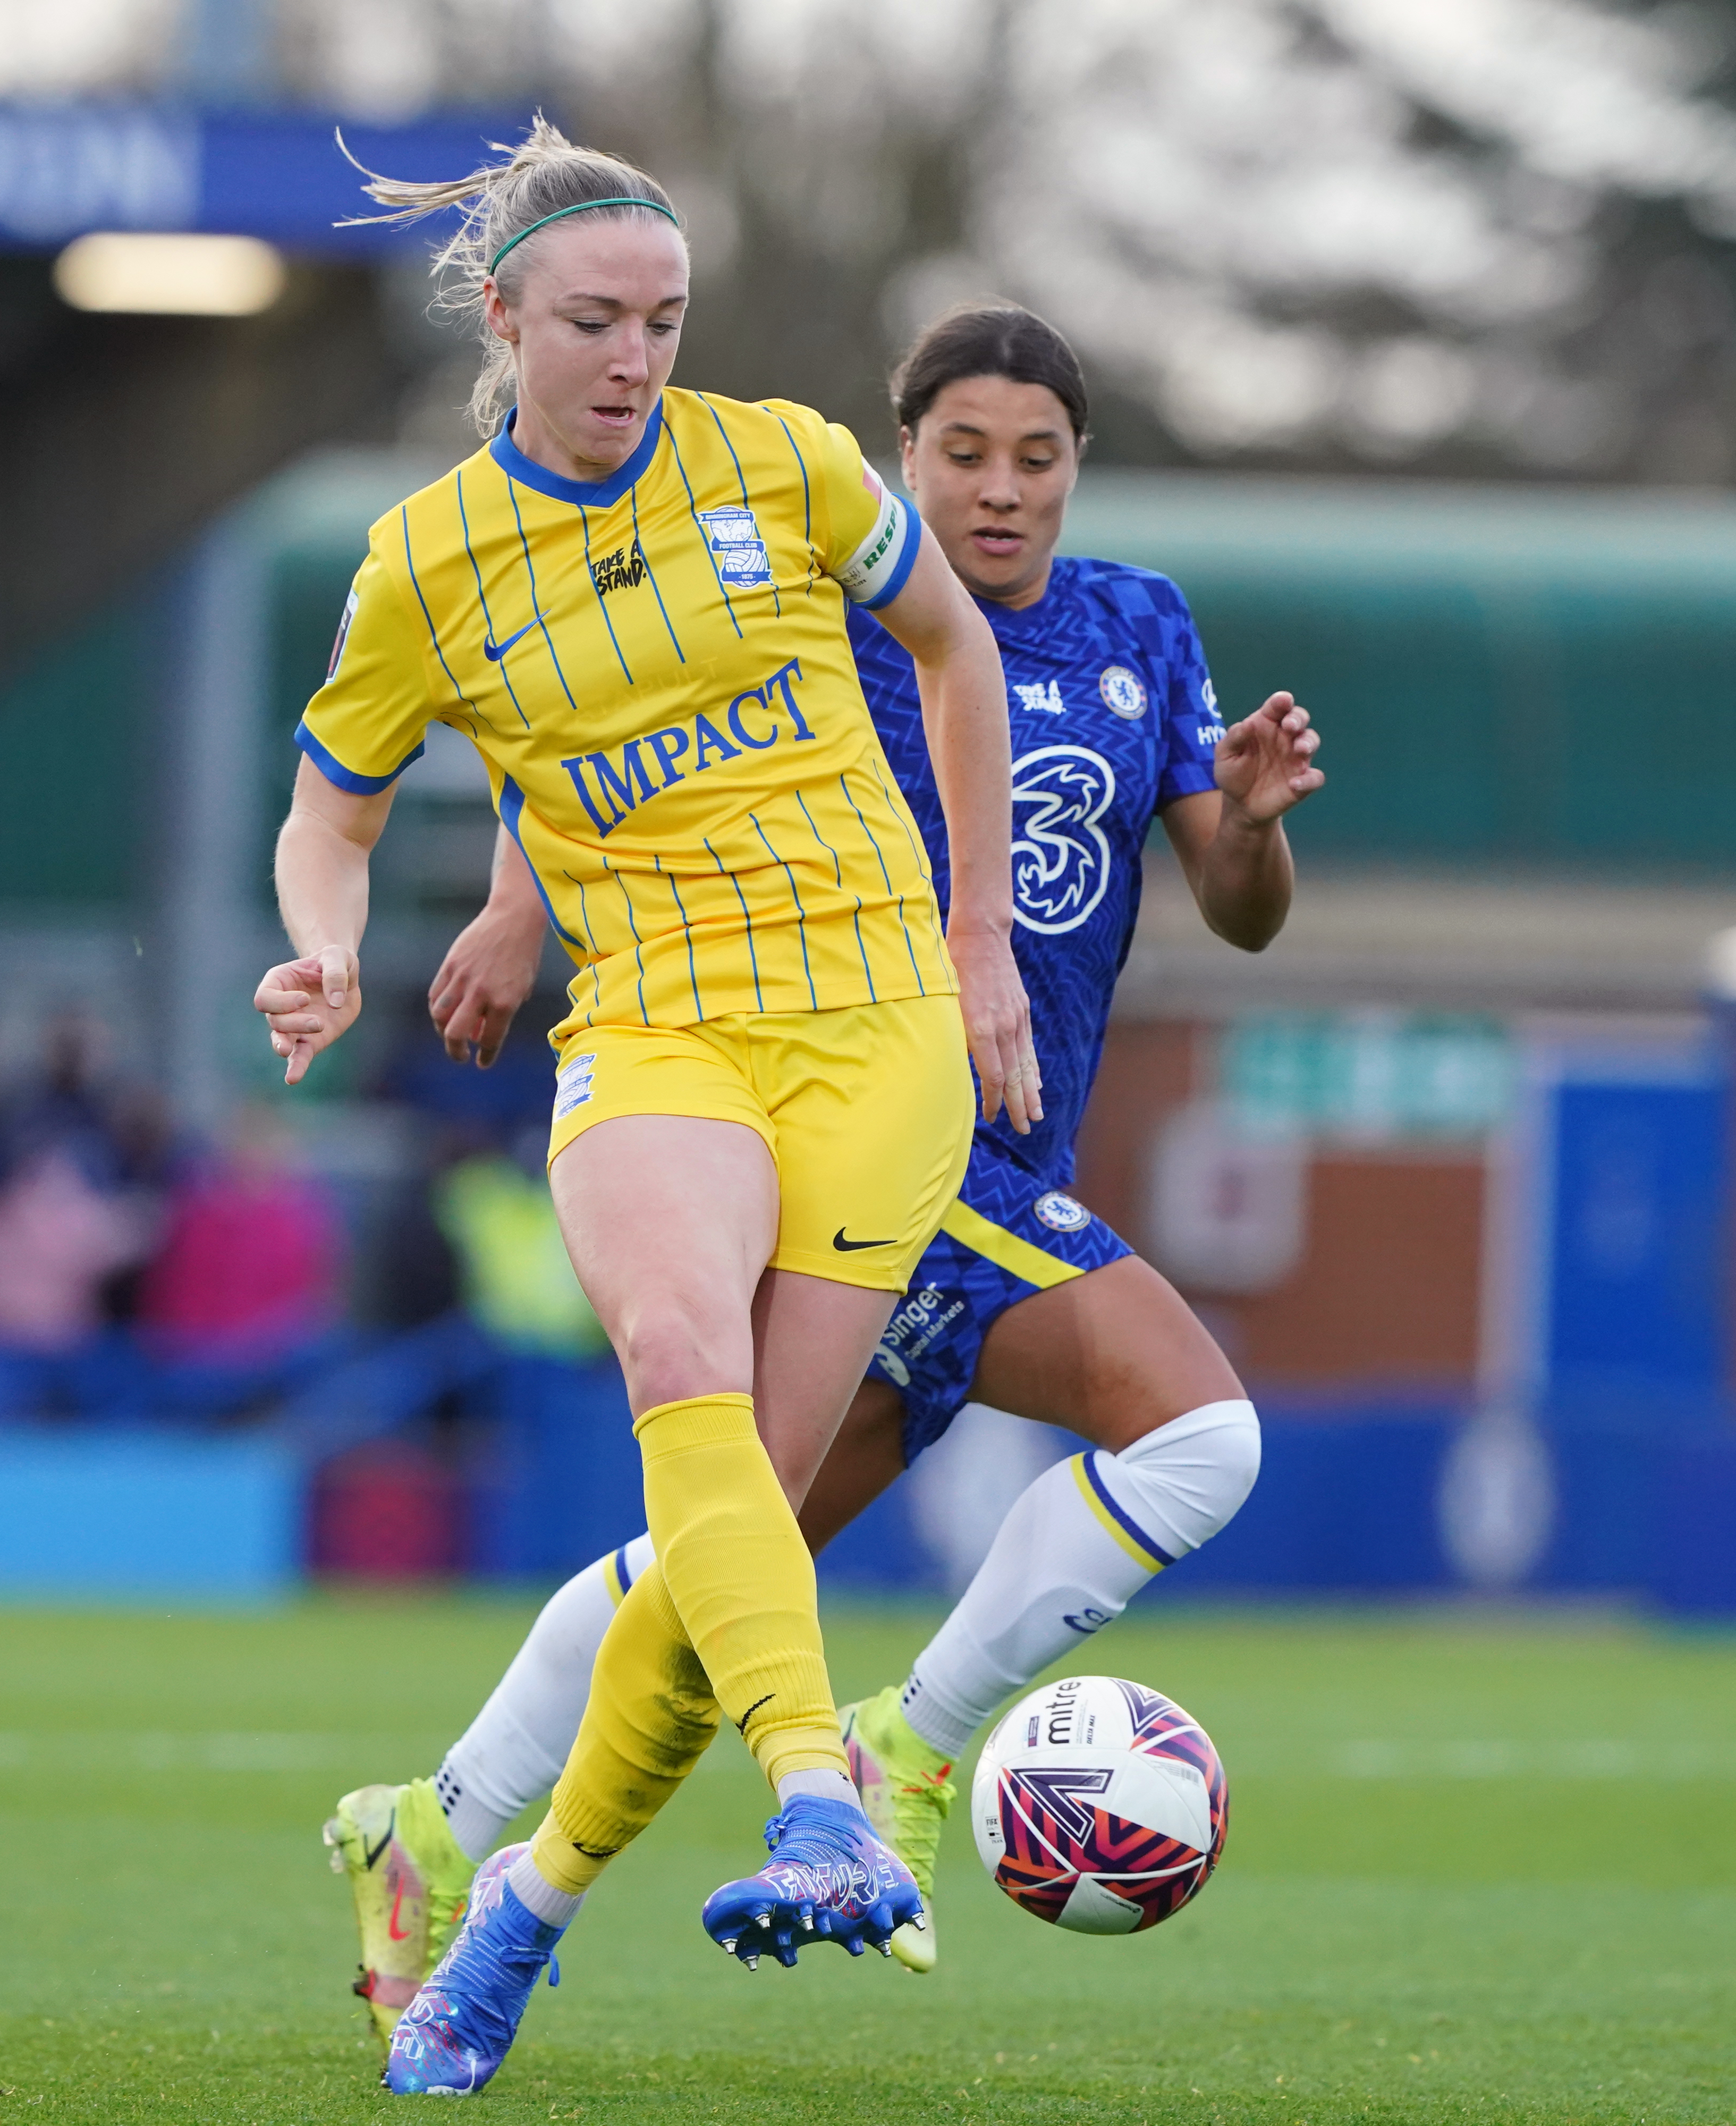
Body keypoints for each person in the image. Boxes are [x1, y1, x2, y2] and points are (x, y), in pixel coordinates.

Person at [321, 301, 1324, 2017]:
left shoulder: (1140, 626)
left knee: (725, 1566)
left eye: (1038, 458)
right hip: (869, 1117)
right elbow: (597, 724)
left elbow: (1242, 919)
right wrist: (511, 905)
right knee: (1200, 1436)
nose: (1000, 489)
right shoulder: (830, 588)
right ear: (903, 454)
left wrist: (1246, 825)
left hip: (1013, 1137)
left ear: (1077, 467)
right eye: (964, 453)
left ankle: (435, 1823)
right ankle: (907, 1745)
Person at [256, 121, 1036, 2094]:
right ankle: (823, 1801)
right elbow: (329, 817)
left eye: (665, 321)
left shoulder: (786, 460)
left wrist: (980, 938)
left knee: (727, 1539)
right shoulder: (424, 564)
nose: (634, 357)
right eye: (596, 320)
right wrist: (324, 947)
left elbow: (955, 648)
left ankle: (511, 1911)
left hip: (877, 1030)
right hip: (659, 1024)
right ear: (503, 318)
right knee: (679, 1352)